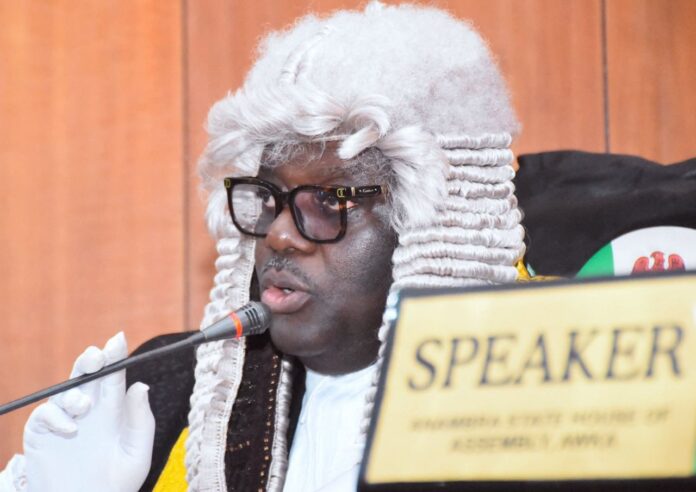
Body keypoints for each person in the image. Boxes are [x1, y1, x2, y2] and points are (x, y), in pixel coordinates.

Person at [0, 2, 525, 491]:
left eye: (329, 201)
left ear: (438, 225)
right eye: (269, 197)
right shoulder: (164, 392)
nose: (278, 234)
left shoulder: (532, 407)